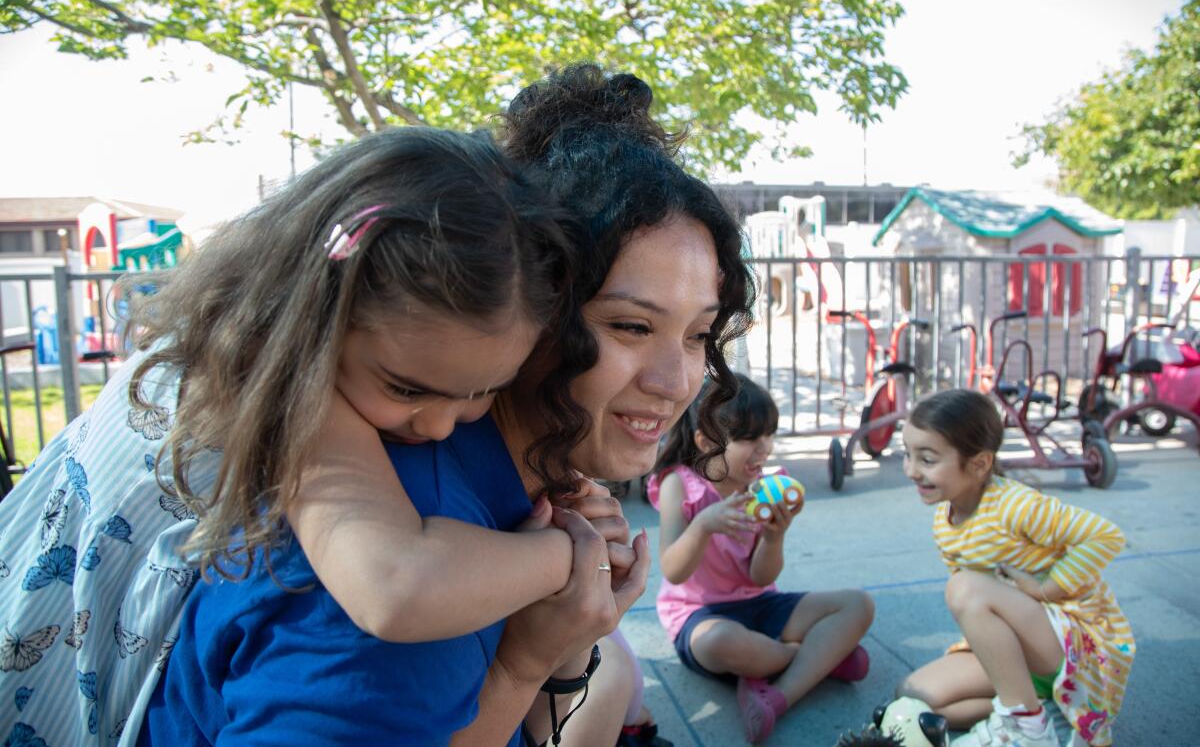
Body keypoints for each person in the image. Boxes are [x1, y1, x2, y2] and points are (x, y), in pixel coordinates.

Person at [138, 63, 755, 746]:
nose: (676, 383)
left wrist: (552, 646)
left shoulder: (505, 486)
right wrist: (540, 620)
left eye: (700, 334)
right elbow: (394, 603)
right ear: (527, 311)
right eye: (631, 327)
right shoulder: (402, 560)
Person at [0, 126, 584, 746]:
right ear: (321, 312)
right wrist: (569, 556)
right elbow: (394, 587)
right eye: (408, 390)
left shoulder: (245, 334)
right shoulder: (278, 383)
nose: (439, 426)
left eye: (480, 393)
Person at [895, 389, 1135, 747]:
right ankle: (1043, 712)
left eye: (927, 459)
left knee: (964, 587)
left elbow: (1105, 536)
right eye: (907, 455)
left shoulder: (1016, 506)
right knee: (912, 697)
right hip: (1027, 655)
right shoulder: (944, 523)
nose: (912, 471)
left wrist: (1046, 590)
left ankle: (1027, 730)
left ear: (979, 464)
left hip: (1078, 651)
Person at [647, 374, 875, 744]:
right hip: (699, 615)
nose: (764, 448)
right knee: (721, 643)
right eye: (750, 438)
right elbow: (673, 570)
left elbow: (759, 578)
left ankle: (780, 693)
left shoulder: (764, 488)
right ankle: (815, 659)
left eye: (769, 434)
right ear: (707, 442)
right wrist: (703, 526)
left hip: (760, 603)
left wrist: (775, 535)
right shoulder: (681, 484)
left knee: (857, 604)